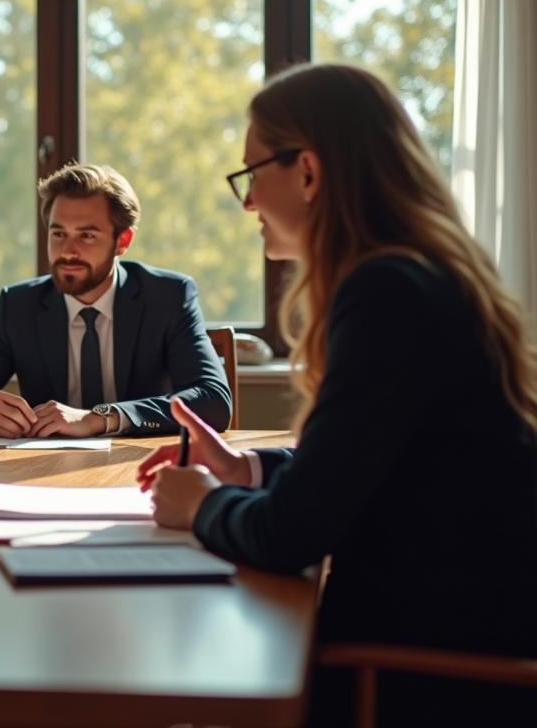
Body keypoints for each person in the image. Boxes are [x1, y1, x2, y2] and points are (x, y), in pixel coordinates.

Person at [137, 64, 537, 726]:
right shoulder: (424, 276)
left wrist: (203, 505)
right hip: (445, 651)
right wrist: (248, 470)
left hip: (411, 681)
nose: (246, 203)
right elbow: (392, 468)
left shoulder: (387, 294)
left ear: (309, 173)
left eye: (250, 175)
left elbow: (290, 534)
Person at [0, 162, 232, 438]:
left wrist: (101, 418)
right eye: (58, 234)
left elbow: (214, 401)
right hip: (41, 476)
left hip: (140, 473)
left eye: (86, 236)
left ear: (121, 242)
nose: (68, 251)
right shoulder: (20, 306)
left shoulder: (167, 297)